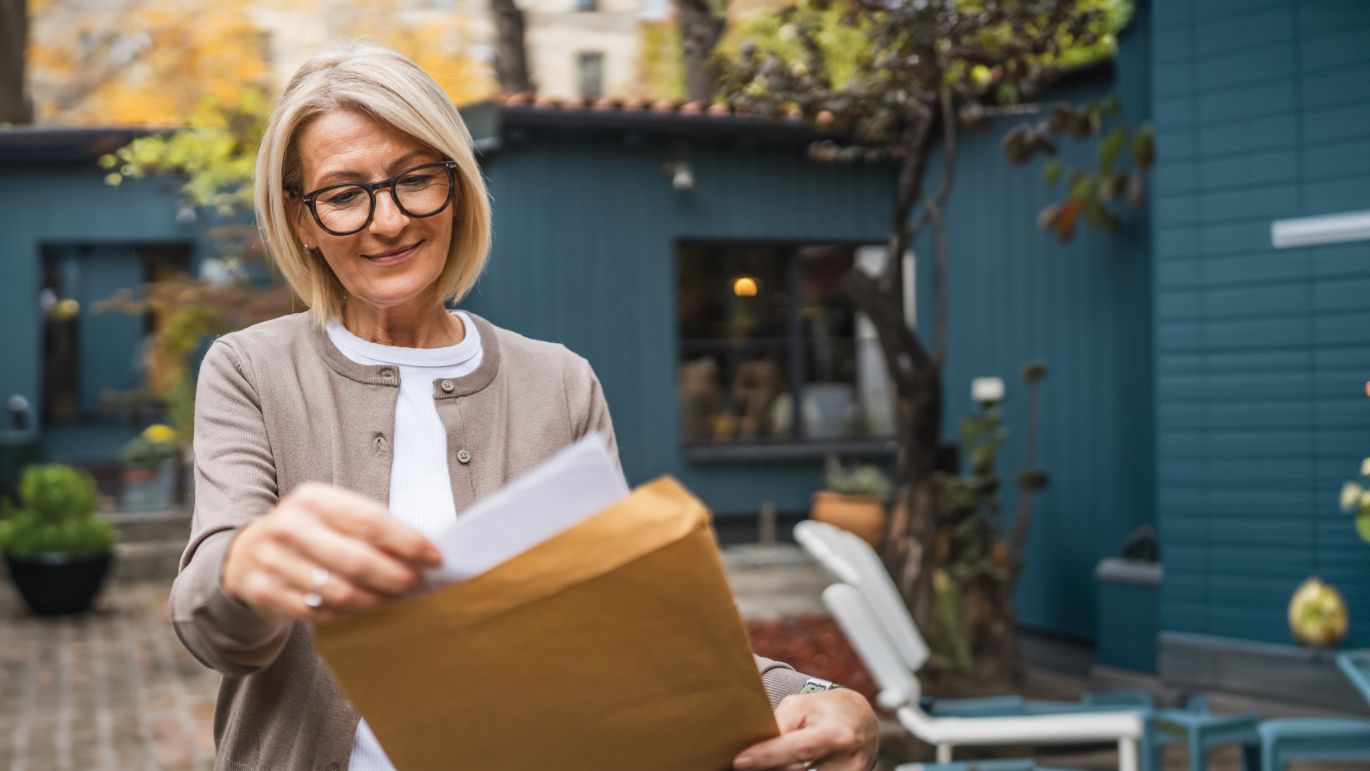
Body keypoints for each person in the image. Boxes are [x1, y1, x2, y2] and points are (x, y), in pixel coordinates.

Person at [169, 45, 878, 771]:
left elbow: (627, 625)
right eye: (345, 194)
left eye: (415, 179)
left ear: (458, 186)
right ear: (304, 220)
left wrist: (811, 692)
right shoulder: (251, 368)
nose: (387, 221)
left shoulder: (560, 383)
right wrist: (244, 567)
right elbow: (212, 627)